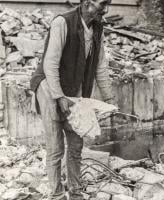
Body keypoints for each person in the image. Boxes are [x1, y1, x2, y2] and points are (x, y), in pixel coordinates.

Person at [30, 0, 114, 199]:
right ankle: (57, 194)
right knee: (56, 147)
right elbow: (50, 63)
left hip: (76, 90)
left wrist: (109, 99)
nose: (106, 9)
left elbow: (100, 66)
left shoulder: (97, 28)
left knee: (76, 145)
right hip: (49, 87)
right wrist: (59, 97)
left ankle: (75, 192)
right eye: (102, 4)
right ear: (86, 3)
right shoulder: (62, 22)